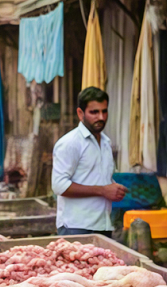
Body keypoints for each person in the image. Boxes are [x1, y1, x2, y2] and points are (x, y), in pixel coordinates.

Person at [51, 86, 126, 236]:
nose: (101, 117)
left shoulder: (106, 143)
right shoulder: (70, 143)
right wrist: (103, 190)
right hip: (76, 227)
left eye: (104, 111)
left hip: (103, 225)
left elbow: (97, 178)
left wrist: (114, 189)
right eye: (94, 112)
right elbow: (59, 186)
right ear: (80, 113)